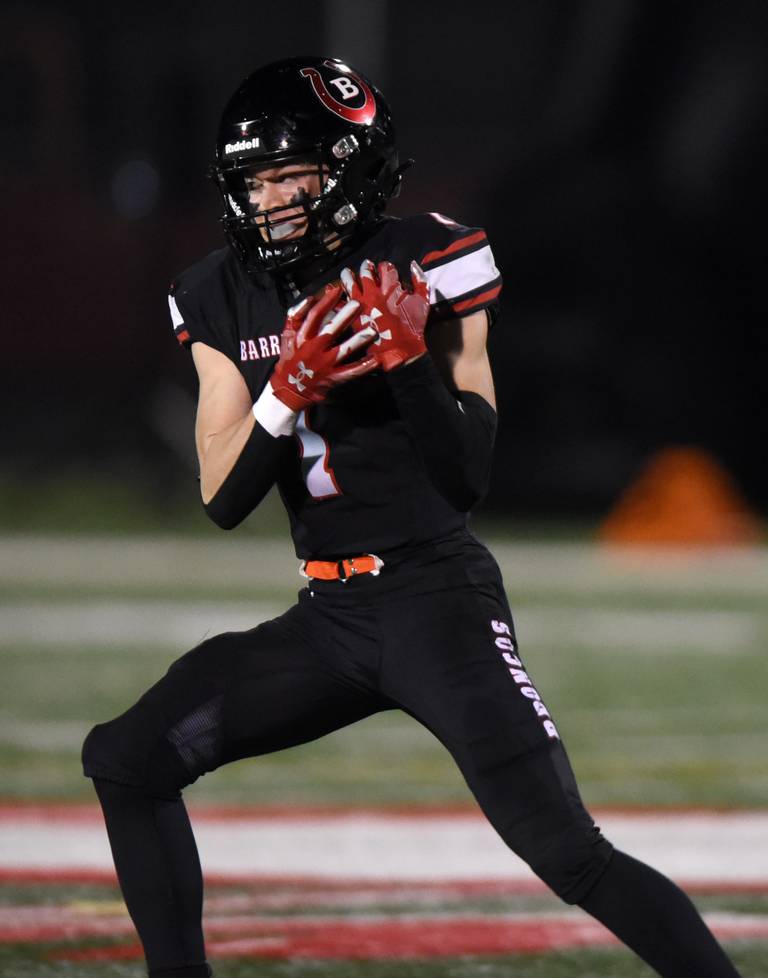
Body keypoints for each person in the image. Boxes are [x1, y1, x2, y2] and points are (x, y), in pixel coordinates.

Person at [82, 56, 741, 978]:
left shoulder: (431, 259)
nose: (268, 200)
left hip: (439, 599)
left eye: (289, 176)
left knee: (566, 850)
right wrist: (290, 388)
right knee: (125, 758)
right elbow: (223, 496)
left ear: (347, 169)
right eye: (255, 181)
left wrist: (406, 364)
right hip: (329, 616)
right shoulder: (218, 294)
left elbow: (467, 475)